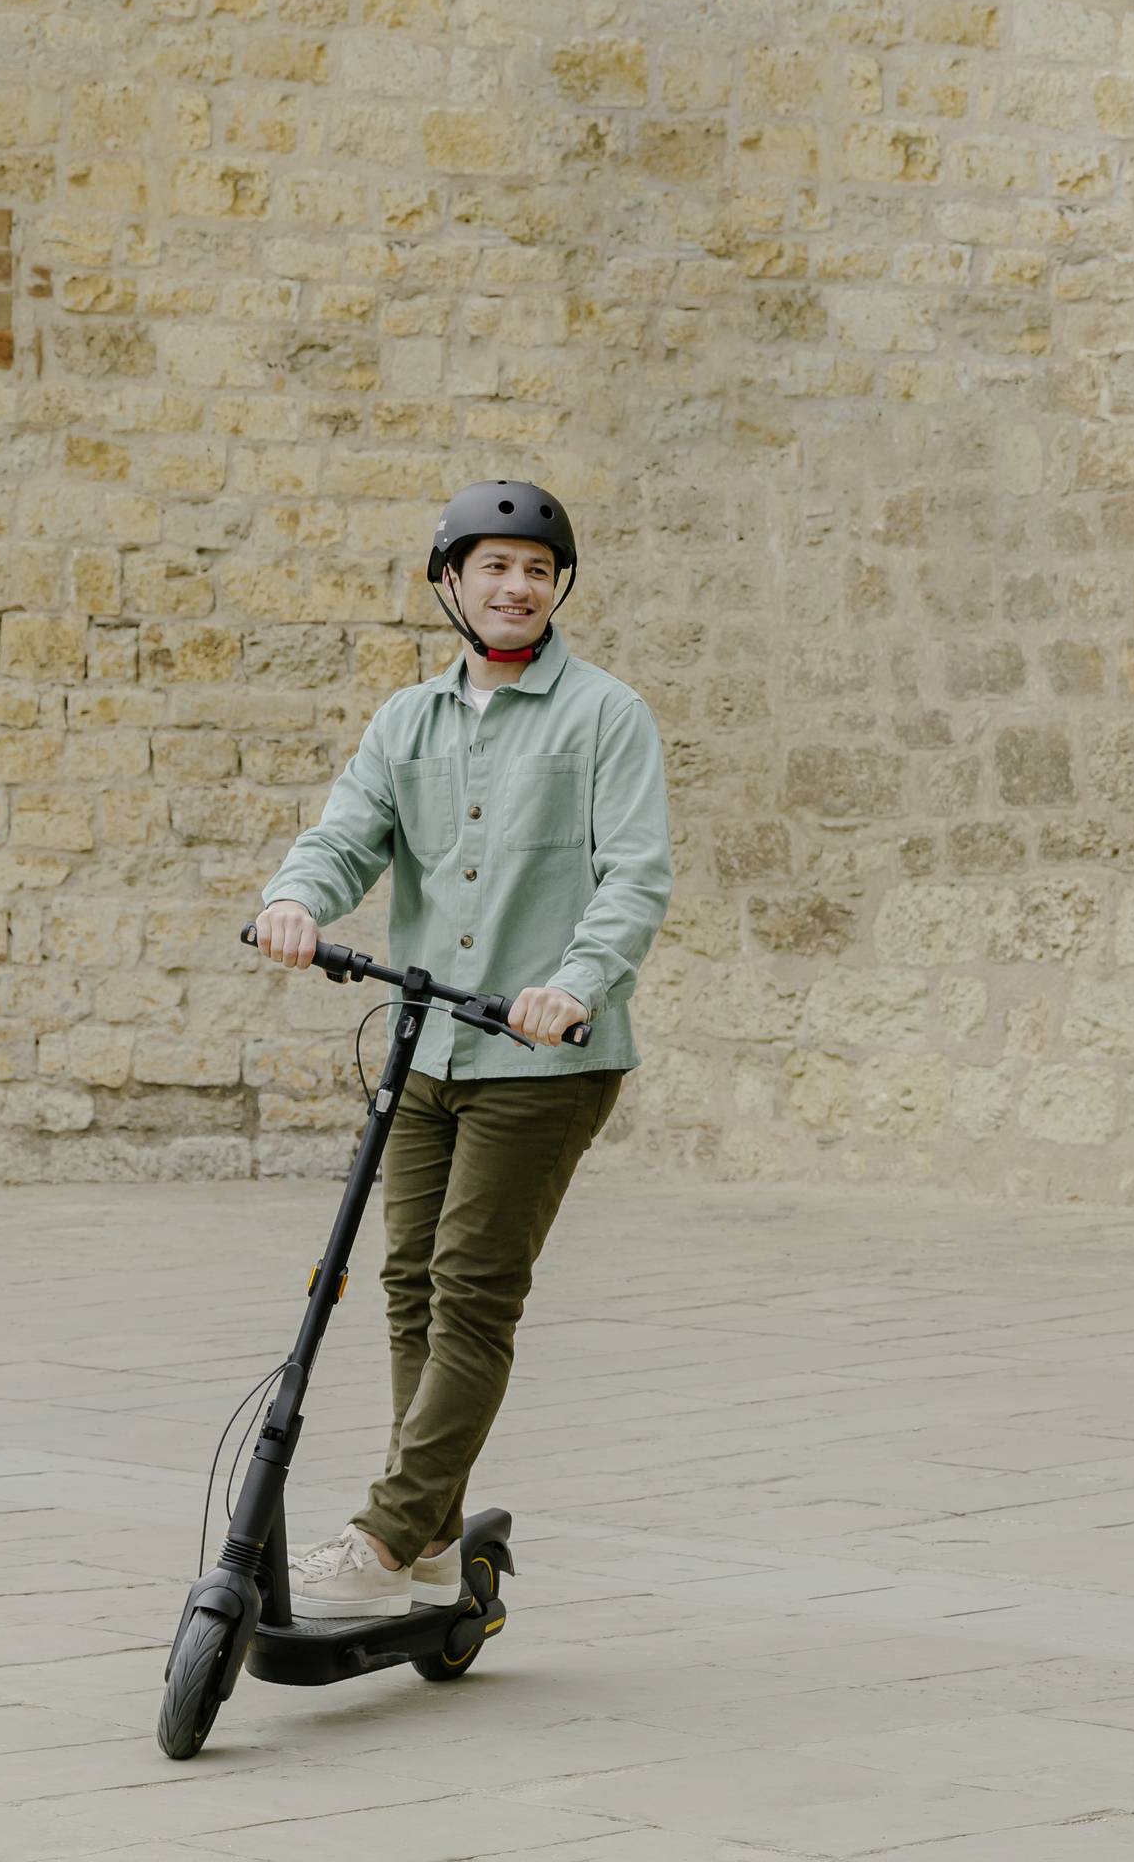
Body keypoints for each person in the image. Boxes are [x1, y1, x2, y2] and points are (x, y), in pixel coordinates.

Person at [252, 479, 672, 1616]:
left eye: (536, 569)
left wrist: (573, 985)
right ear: (450, 581)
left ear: (556, 589)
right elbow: (346, 836)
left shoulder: (606, 715)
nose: (515, 585)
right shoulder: (409, 721)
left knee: (471, 1291)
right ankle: (433, 1531)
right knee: (406, 1289)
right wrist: (297, 902)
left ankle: (391, 1533)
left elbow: (635, 877)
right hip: (425, 1045)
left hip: (546, 1058)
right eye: (492, 565)